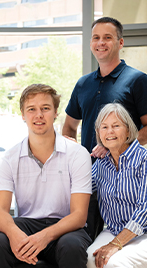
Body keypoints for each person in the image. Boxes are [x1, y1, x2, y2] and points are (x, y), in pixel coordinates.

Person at [0, 84, 92, 268]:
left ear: (56, 112)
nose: (39, 115)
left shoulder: (78, 154)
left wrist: (44, 237)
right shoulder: (9, 158)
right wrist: (14, 234)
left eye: (46, 108)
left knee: (72, 247)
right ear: (23, 114)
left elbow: (79, 215)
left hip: (66, 227)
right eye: (31, 109)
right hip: (26, 225)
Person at [62, 16, 147, 241]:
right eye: (96, 38)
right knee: (84, 242)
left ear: (120, 43)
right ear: (91, 43)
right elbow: (69, 129)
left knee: (121, 237)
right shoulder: (82, 84)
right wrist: (76, 155)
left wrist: (118, 148)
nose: (101, 42)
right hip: (88, 177)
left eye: (107, 38)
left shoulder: (137, 80)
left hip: (123, 177)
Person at [87, 103, 147, 268]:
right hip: (113, 230)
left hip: (143, 232)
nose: (110, 131)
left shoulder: (144, 160)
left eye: (116, 126)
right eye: (104, 127)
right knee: (90, 259)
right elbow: (82, 188)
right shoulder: (101, 164)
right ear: (99, 133)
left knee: (115, 263)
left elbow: (145, 210)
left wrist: (116, 244)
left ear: (128, 130)